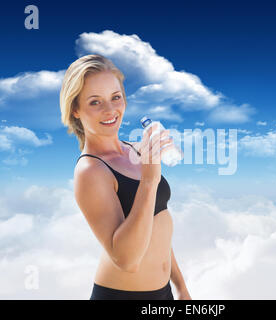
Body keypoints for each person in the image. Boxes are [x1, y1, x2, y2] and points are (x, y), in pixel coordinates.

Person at [59, 54, 191, 300]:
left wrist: (181, 287)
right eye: (95, 102)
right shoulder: (91, 171)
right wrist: (150, 180)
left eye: (115, 97)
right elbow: (127, 260)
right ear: (75, 109)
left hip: (165, 294)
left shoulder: (137, 149)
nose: (110, 110)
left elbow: (155, 228)